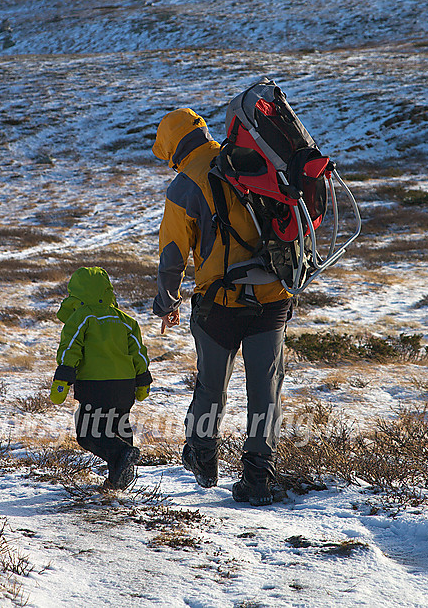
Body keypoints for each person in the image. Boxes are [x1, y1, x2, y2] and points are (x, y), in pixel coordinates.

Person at [152, 108, 292, 506]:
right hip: (274, 300)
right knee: (266, 392)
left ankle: (202, 454)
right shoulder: (252, 160)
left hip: (220, 305)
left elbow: (173, 255)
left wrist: (167, 303)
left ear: (171, 146)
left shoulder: (184, 185)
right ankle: (258, 480)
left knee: (211, 387)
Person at [50, 266, 152, 490]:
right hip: (124, 387)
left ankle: (123, 455)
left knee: (88, 434)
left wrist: (62, 379)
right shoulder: (126, 320)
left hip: (96, 385)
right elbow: (138, 352)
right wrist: (143, 380)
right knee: (118, 426)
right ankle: (117, 480)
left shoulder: (81, 317)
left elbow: (71, 348)